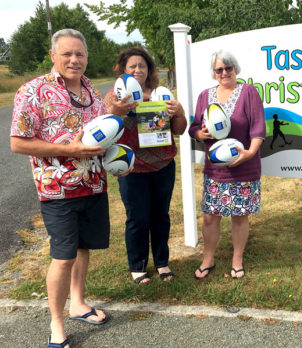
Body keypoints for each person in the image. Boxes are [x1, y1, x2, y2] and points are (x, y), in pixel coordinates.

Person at [10, 29, 134, 348]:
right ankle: (56, 323)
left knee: (83, 248)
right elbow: (17, 143)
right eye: (66, 54)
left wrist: (118, 160)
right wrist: (70, 151)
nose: (74, 60)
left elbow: (98, 134)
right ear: (53, 56)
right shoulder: (33, 91)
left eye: (79, 54)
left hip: (93, 185)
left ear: (87, 57)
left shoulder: (91, 89)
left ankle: (77, 303)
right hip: (57, 190)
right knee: (63, 256)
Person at [104, 47, 187, 284]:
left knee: (160, 216)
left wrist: (179, 111)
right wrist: (117, 111)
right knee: (137, 218)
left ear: (149, 69)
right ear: (123, 70)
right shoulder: (114, 96)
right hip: (131, 169)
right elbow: (105, 128)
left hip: (162, 166)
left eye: (142, 65)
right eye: (132, 66)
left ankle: (162, 263)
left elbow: (178, 130)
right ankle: (138, 266)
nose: (138, 70)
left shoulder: (161, 93)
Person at [189, 50, 266, 279]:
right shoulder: (205, 95)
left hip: (243, 166)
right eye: (219, 69)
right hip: (215, 170)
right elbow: (194, 127)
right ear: (214, 72)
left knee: (239, 216)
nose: (224, 73)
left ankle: (237, 260)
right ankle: (208, 259)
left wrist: (250, 153)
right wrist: (200, 134)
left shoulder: (248, 92)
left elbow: (258, 128)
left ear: (235, 68)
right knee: (210, 216)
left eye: (228, 68)